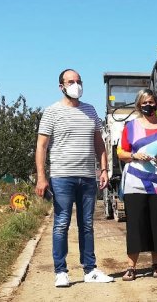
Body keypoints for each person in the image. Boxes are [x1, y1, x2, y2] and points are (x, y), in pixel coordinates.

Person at [35, 68, 114, 287]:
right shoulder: (52, 111)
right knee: (61, 224)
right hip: (62, 177)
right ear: (61, 86)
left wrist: (104, 169)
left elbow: (99, 143)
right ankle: (61, 271)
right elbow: (41, 146)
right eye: (70, 81)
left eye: (78, 81)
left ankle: (90, 270)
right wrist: (42, 177)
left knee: (87, 225)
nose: (75, 85)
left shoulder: (90, 110)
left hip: (88, 177)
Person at [116, 89, 157, 281]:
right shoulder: (131, 126)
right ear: (138, 105)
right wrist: (135, 155)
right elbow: (121, 153)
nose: (148, 105)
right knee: (136, 225)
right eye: (144, 102)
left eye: (152, 102)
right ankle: (131, 267)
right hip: (136, 183)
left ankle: (156, 264)